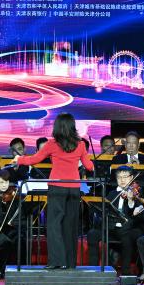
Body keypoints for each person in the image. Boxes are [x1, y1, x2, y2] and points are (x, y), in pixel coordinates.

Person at [13, 113, 94, 269]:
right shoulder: (80, 144)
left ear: (57, 126)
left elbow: (34, 159)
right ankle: (69, 263)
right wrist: (90, 164)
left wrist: (19, 159)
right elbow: (89, 166)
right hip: (74, 188)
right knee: (70, 226)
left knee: (54, 225)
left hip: (57, 187)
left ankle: (57, 262)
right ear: (72, 126)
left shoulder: (52, 144)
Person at [87, 165, 144, 275]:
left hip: (128, 228)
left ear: (131, 177)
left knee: (126, 236)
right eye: (119, 177)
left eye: (125, 177)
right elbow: (104, 210)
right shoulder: (111, 194)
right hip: (112, 228)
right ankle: (93, 270)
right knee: (92, 234)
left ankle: (125, 272)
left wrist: (130, 201)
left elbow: (137, 216)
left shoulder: (136, 194)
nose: (122, 180)